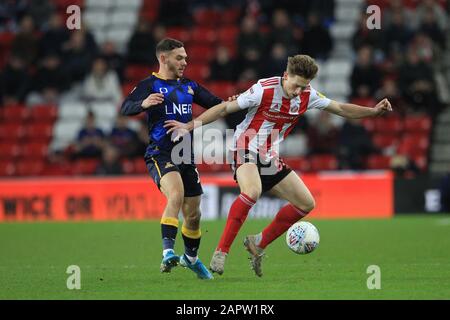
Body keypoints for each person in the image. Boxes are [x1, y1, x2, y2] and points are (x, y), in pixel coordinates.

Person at [165, 54, 392, 277]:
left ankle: (258, 243)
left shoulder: (308, 95)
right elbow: (225, 108)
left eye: (304, 87)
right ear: (286, 76)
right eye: (296, 86)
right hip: (244, 146)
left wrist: (372, 112)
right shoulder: (264, 89)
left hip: (270, 156)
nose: (298, 92)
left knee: (306, 203)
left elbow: (340, 109)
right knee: (252, 191)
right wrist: (189, 126)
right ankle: (221, 252)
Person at [120, 38, 232, 280]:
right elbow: (125, 107)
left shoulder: (189, 86)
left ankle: (190, 259)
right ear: (163, 58)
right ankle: (168, 252)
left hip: (186, 156)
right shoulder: (149, 85)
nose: (185, 62)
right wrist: (143, 103)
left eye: (186, 58)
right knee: (176, 194)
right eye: (179, 57)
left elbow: (218, 107)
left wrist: (192, 124)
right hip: (160, 154)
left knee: (194, 215)